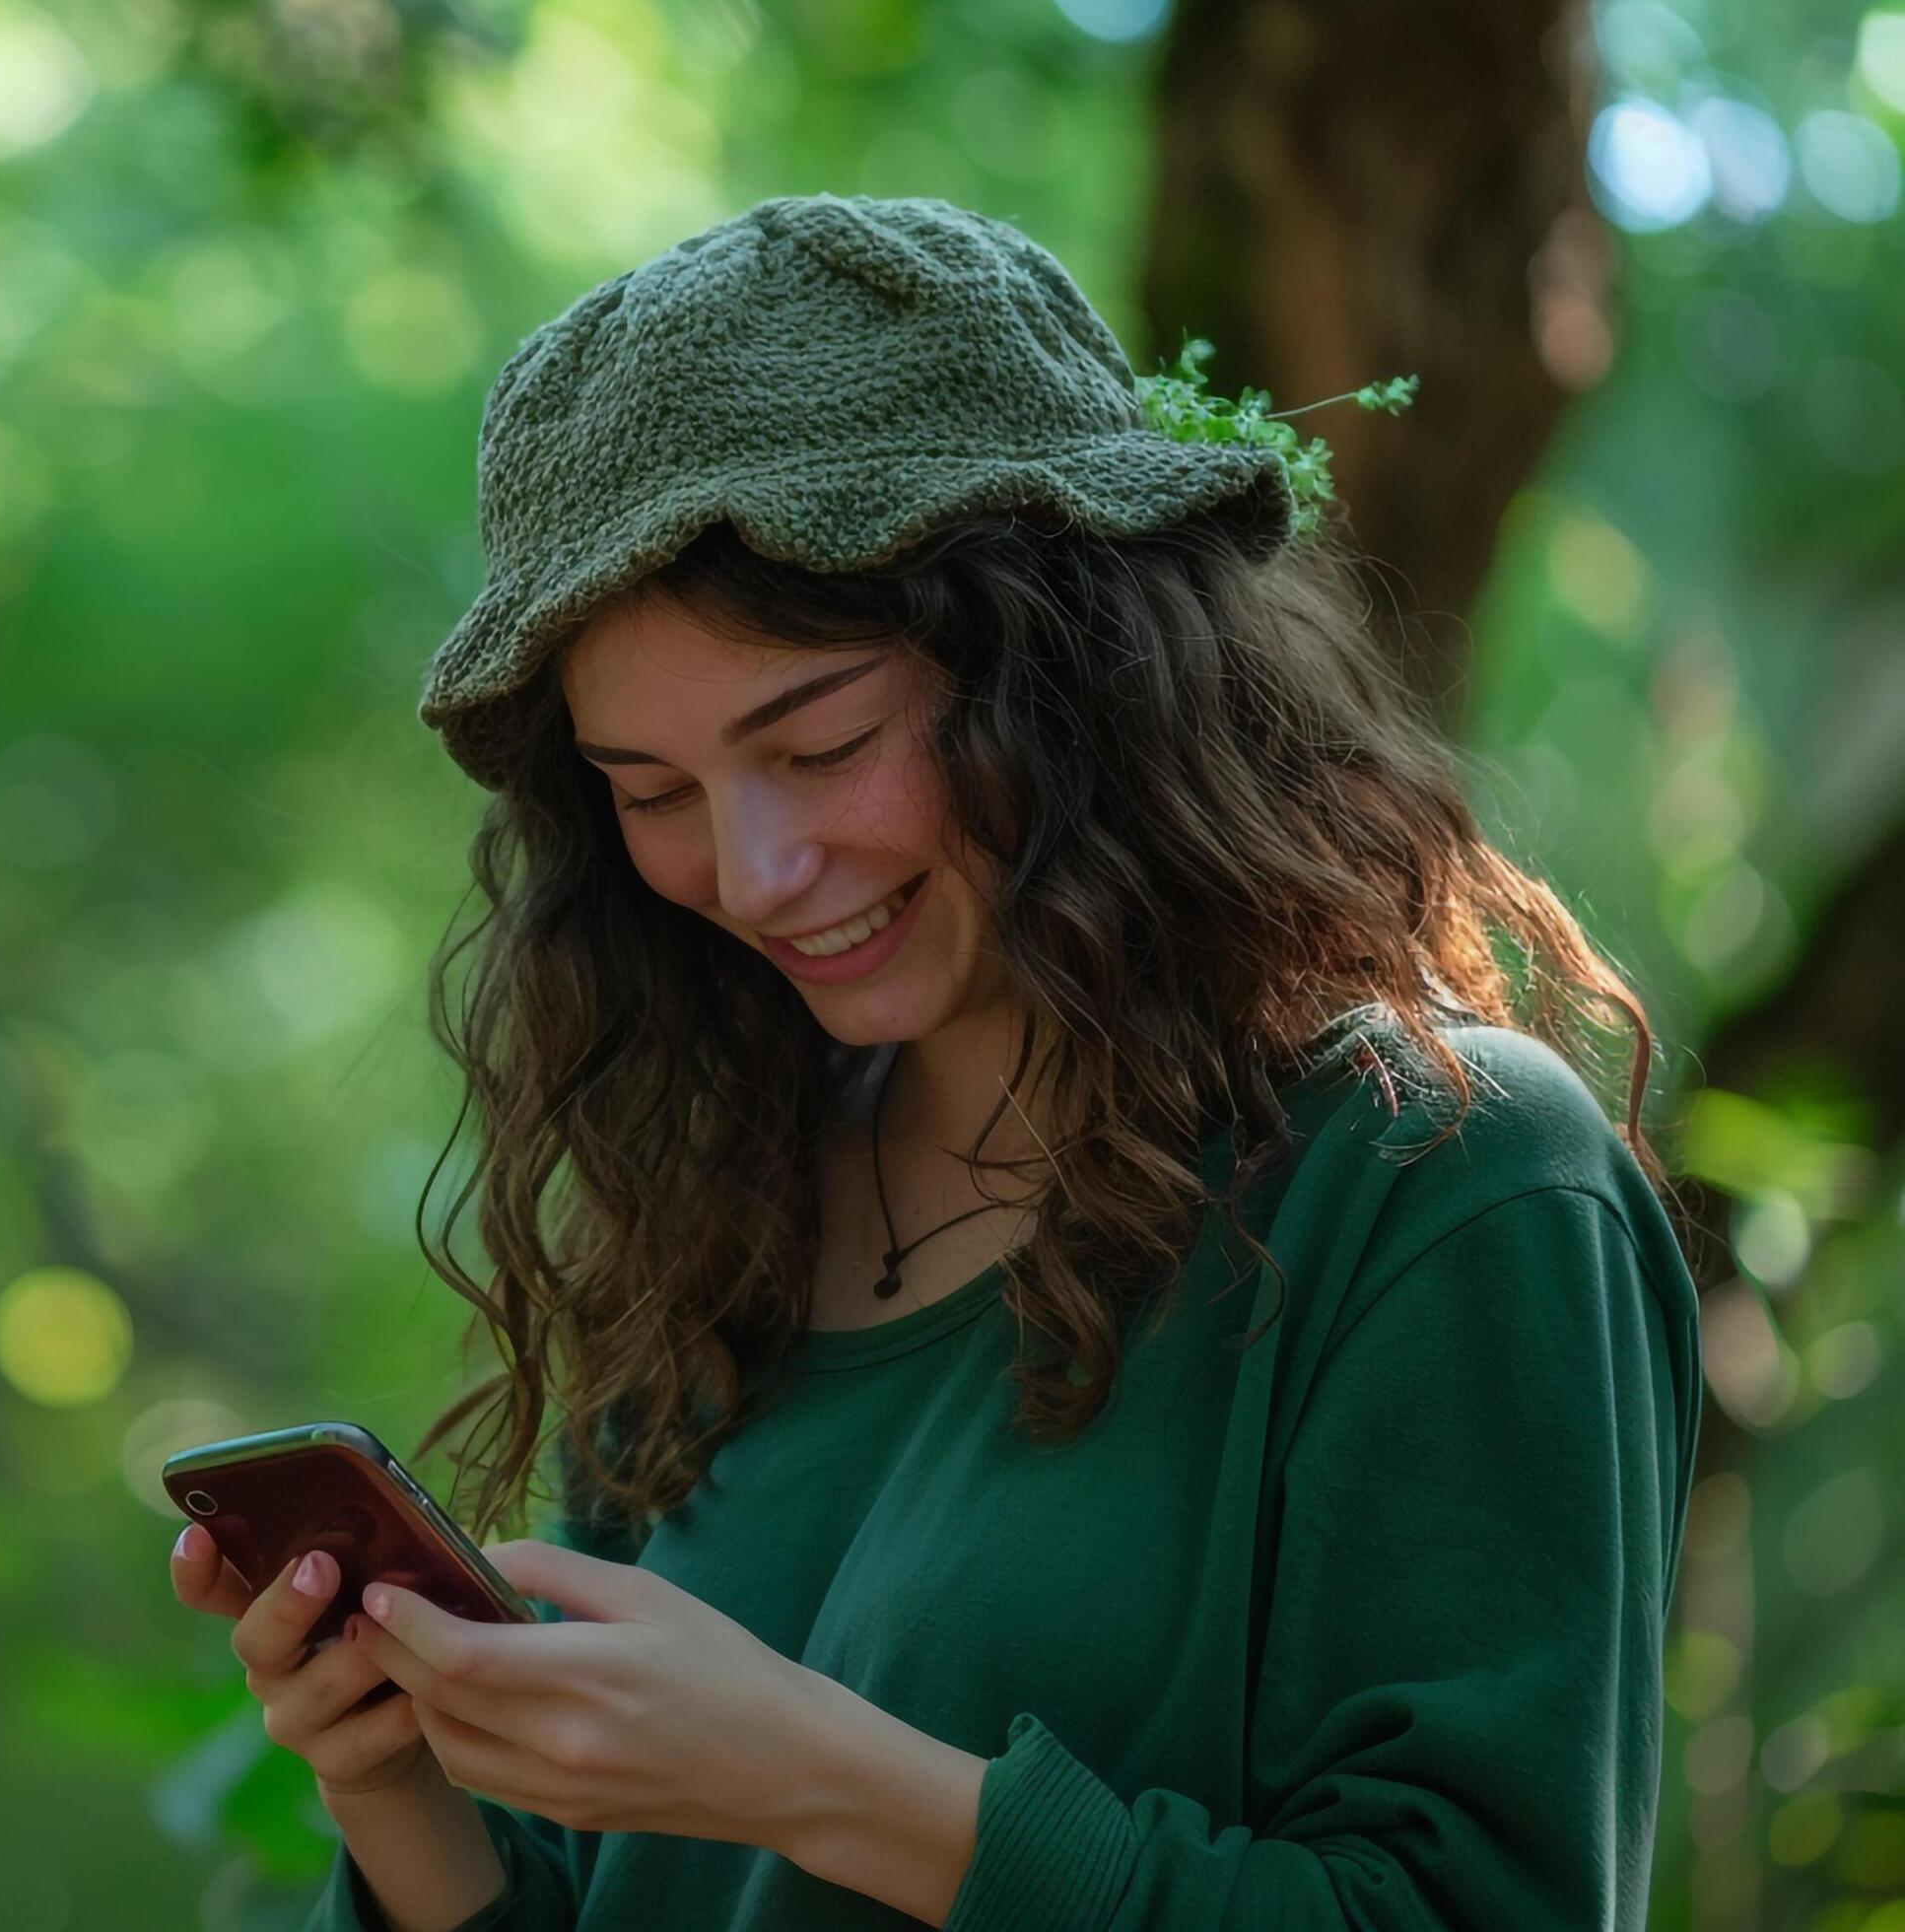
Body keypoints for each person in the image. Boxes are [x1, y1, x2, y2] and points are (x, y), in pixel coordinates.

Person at [165, 192, 1705, 1931]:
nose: (748, 874)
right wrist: (392, 1785)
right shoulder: (720, 1220)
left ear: (1075, 674)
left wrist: (812, 1773)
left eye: (816, 747)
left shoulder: (1440, 1183)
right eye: (650, 791)